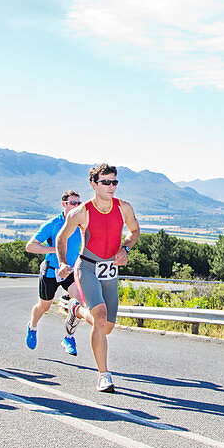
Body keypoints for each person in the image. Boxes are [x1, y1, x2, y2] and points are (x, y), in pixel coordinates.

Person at [56, 164, 140, 392]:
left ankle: (76, 310)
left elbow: (134, 231)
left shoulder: (124, 207)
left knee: (107, 327)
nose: (111, 186)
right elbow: (61, 239)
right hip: (87, 268)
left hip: (111, 270)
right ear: (93, 184)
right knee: (100, 317)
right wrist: (63, 263)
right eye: (106, 182)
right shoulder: (81, 211)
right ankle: (104, 376)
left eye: (114, 182)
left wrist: (125, 249)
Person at [24, 189, 85, 356]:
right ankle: (32, 326)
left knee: (80, 300)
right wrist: (57, 250)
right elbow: (30, 246)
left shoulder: (81, 224)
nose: (76, 206)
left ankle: (68, 337)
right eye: (73, 203)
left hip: (70, 271)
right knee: (44, 306)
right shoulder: (53, 224)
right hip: (52, 270)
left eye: (79, 203)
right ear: (64, 204)